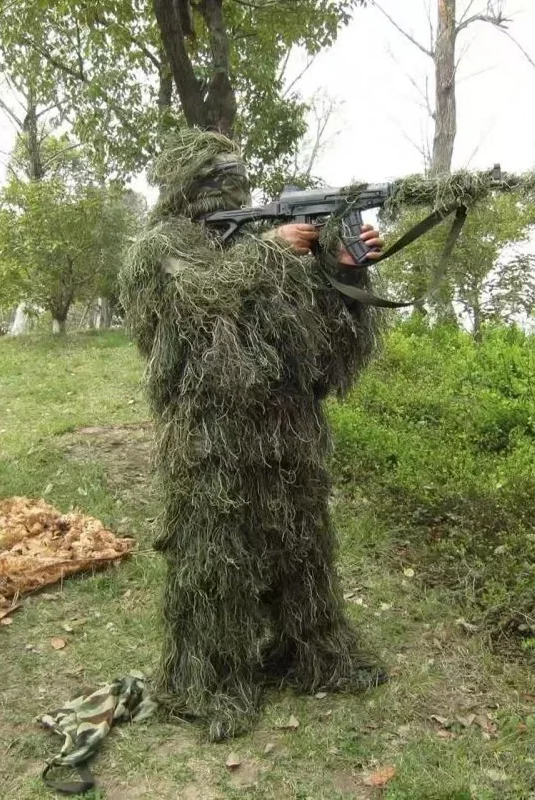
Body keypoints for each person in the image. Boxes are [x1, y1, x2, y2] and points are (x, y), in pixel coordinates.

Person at [120, 128, 387, 742]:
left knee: (304, 552)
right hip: (210, 436)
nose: (228, 188)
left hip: (288, 433)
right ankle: (210, 681)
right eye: (214, 177)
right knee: (215, 562)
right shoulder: (159, 247)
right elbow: (200, 298)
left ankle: (312, 654)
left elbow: (324, 353)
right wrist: (271, 249)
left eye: (234, 175)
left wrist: (342, 274)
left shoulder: (261, 247)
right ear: (183, 184)